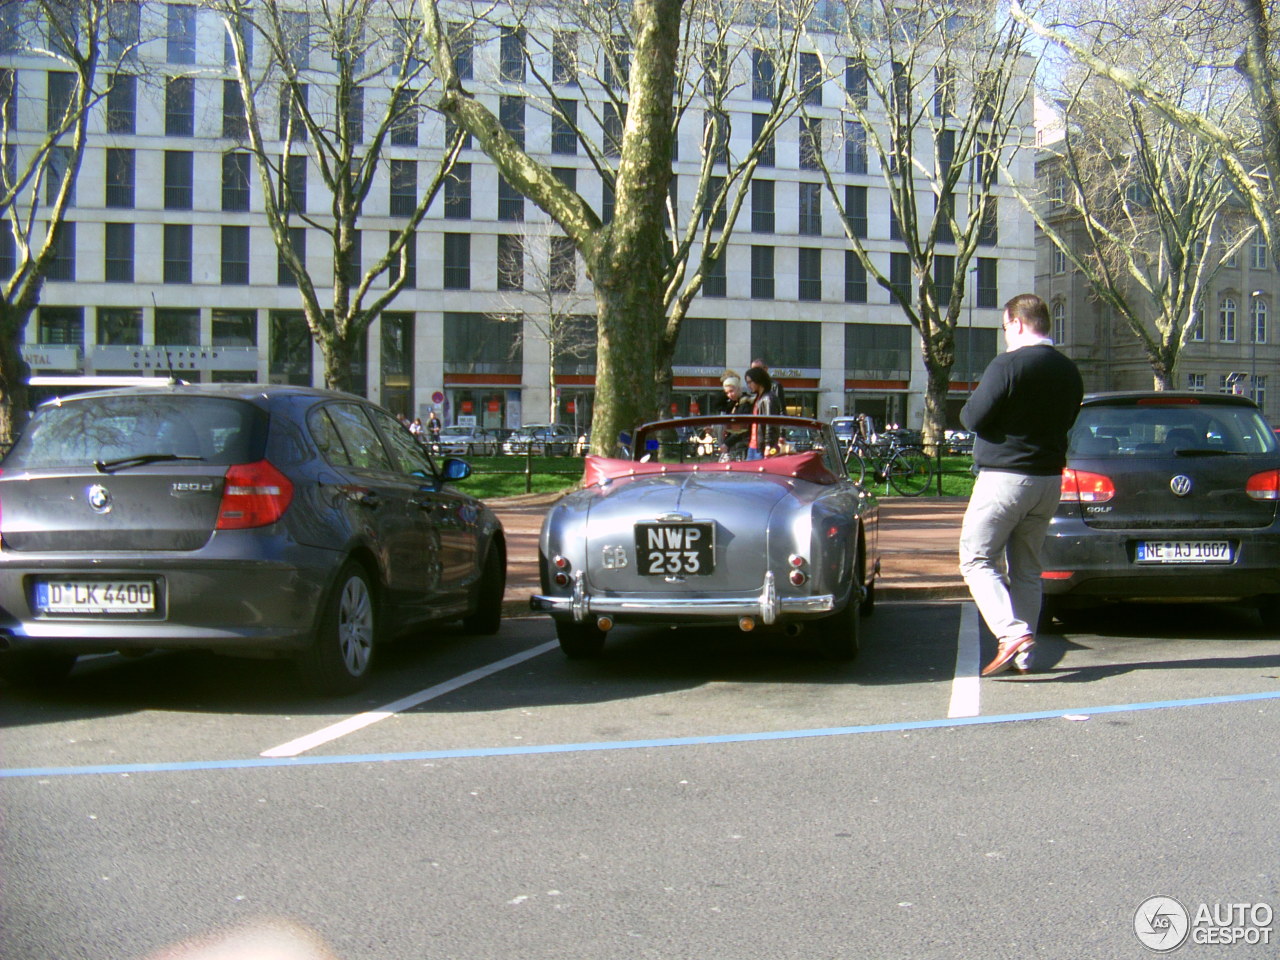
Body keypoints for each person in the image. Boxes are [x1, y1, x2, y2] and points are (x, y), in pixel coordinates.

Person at [959, 292, 1083, 676]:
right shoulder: (1069, 370)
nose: (1005, 334)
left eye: (1004, 326)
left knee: (976, 558)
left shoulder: (1007, 365)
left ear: (1015, 322)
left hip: (1005, 478)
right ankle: (1024, 654)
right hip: (1048, 480)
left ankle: (1010, 633)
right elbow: (1066, 421)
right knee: (1027, 567)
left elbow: (971, 417)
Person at [743, 365, 780, 459]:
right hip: (752, 445)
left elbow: (770, 423)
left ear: (758, 380)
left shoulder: (768, 398)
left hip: (762, 447)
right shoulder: (757, 398)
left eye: (750, 382)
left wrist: (768, 445)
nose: (748, 385)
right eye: (747, 383)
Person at [718, 372, 752, 458]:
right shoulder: (734, 404)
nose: (729, 395)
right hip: (736, 445)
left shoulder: (745, 403)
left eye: (731, 391)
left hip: (743, 445)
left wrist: (727, 443)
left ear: (738, 388)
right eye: (727, 393)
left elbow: (742, 429)